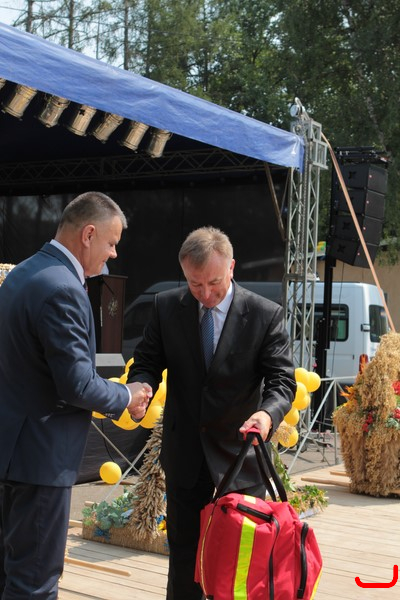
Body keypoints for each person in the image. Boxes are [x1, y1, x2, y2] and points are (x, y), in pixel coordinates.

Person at [127, 225, 296, 600]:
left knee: (240, 565)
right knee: (184, 561)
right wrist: (140, 387)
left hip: (240, 456)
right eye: (195, 284)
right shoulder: (167, 307)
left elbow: (282, 380)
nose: (205, 294)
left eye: (214, 283)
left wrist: (267, 415)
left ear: (232, 267)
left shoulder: (264, 314)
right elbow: (147, 362)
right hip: (186, 457)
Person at [0, 191, 152, 599]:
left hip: (13, 454)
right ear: (88, 234)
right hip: (40, 461)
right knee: (34, 583)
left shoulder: (23, 273)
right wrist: (126, 395)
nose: (114, 253)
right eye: (111, 242)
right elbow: (77, 384)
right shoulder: (62, 287)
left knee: (11, 576)